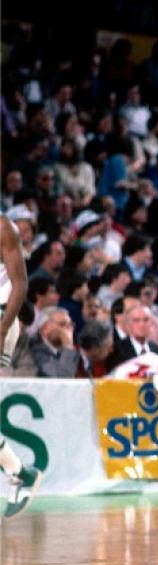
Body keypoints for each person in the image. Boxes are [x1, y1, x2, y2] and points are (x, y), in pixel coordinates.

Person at [0, 215, 42, 517]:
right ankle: (18, 471)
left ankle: (18, 471)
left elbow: (20, 283)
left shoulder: (3, 227)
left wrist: (3, 329)